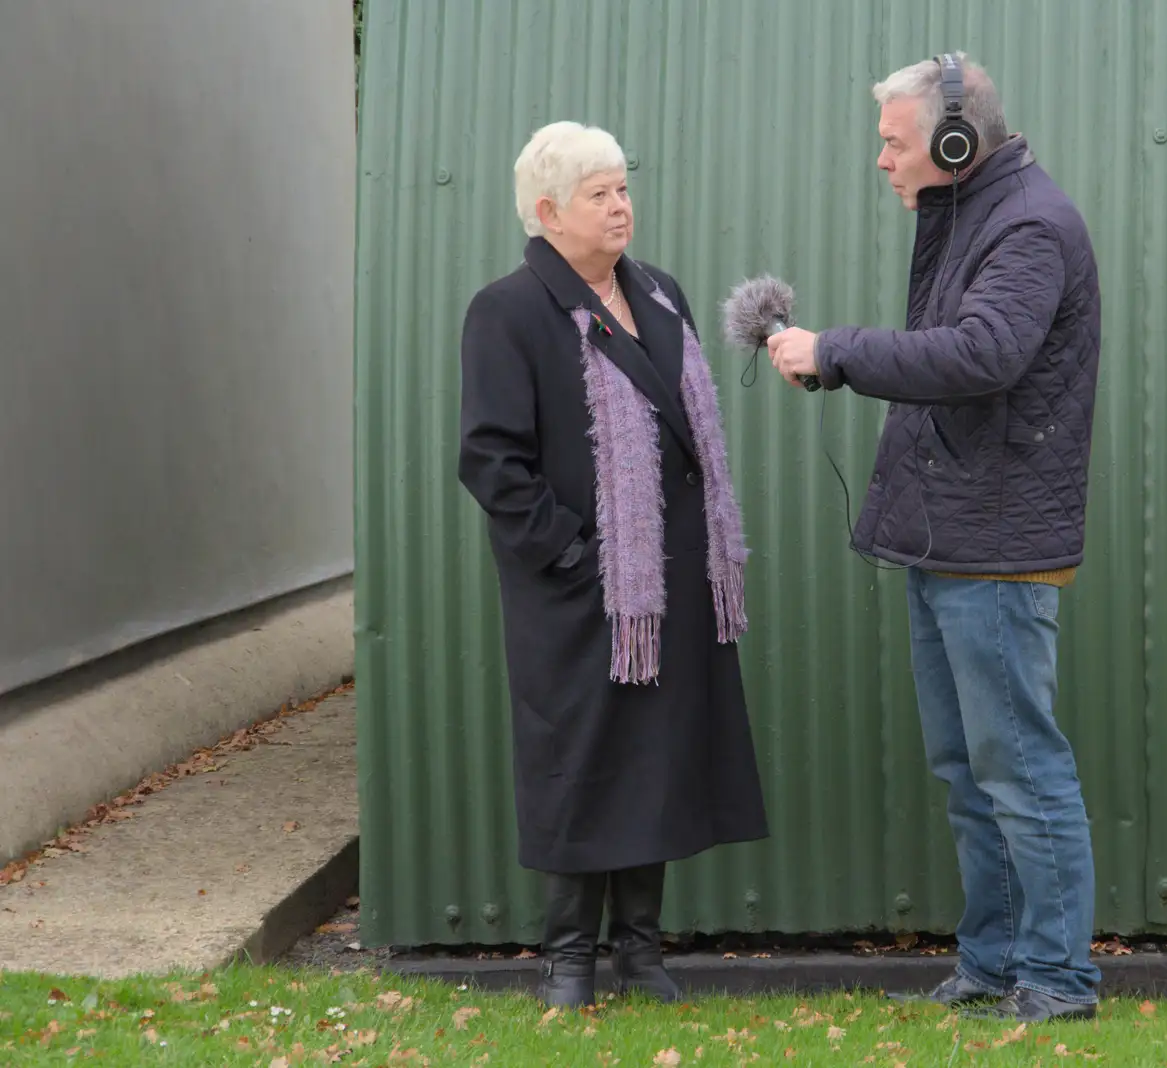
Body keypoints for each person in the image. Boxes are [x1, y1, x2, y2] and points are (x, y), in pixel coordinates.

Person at [767, 53, 1102, 1023]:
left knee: (1019, 766)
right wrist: (840, 365)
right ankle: (993, 966)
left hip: (996, 550)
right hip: (949, 539)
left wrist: (835, 349)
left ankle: (1057, 978)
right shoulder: (972, 216)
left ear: (956, 143)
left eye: (894, 141)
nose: (881, 160)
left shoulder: (1029, 226)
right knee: (968, 769)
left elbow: (982, 354)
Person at [456, 120, 770, 1009]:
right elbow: (490, 459)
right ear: (549, 212)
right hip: (578, 588)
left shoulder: (659, 293)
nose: (621, 206)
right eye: (600, 194)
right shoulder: (509, 310)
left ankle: (640, 953)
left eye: (624, 188)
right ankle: (567, 962)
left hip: (666, 583)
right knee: (580, 759)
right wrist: (575, 557)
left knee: (655, 760)